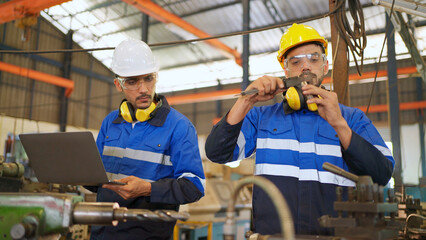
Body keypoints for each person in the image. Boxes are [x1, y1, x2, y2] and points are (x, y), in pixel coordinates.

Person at [205, 23, 394, 236]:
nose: (305, 67)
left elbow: (382, 174)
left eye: (314, 59)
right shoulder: (261, 118)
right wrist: (247, 101)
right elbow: (216, 152)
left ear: (325, 66)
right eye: (296, 62)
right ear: (286, 70)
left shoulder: (352, 119)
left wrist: (339, 124)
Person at [89, 38, 205, 240]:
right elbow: (96, 180)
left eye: (148, 79)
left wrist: (148, 189)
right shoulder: (110, 123)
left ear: (156, 77)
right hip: (102, 232)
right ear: (119, 84)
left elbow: (194, 187)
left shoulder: (179, 127)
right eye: (132, 81)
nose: (143, 89)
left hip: (149, 235)